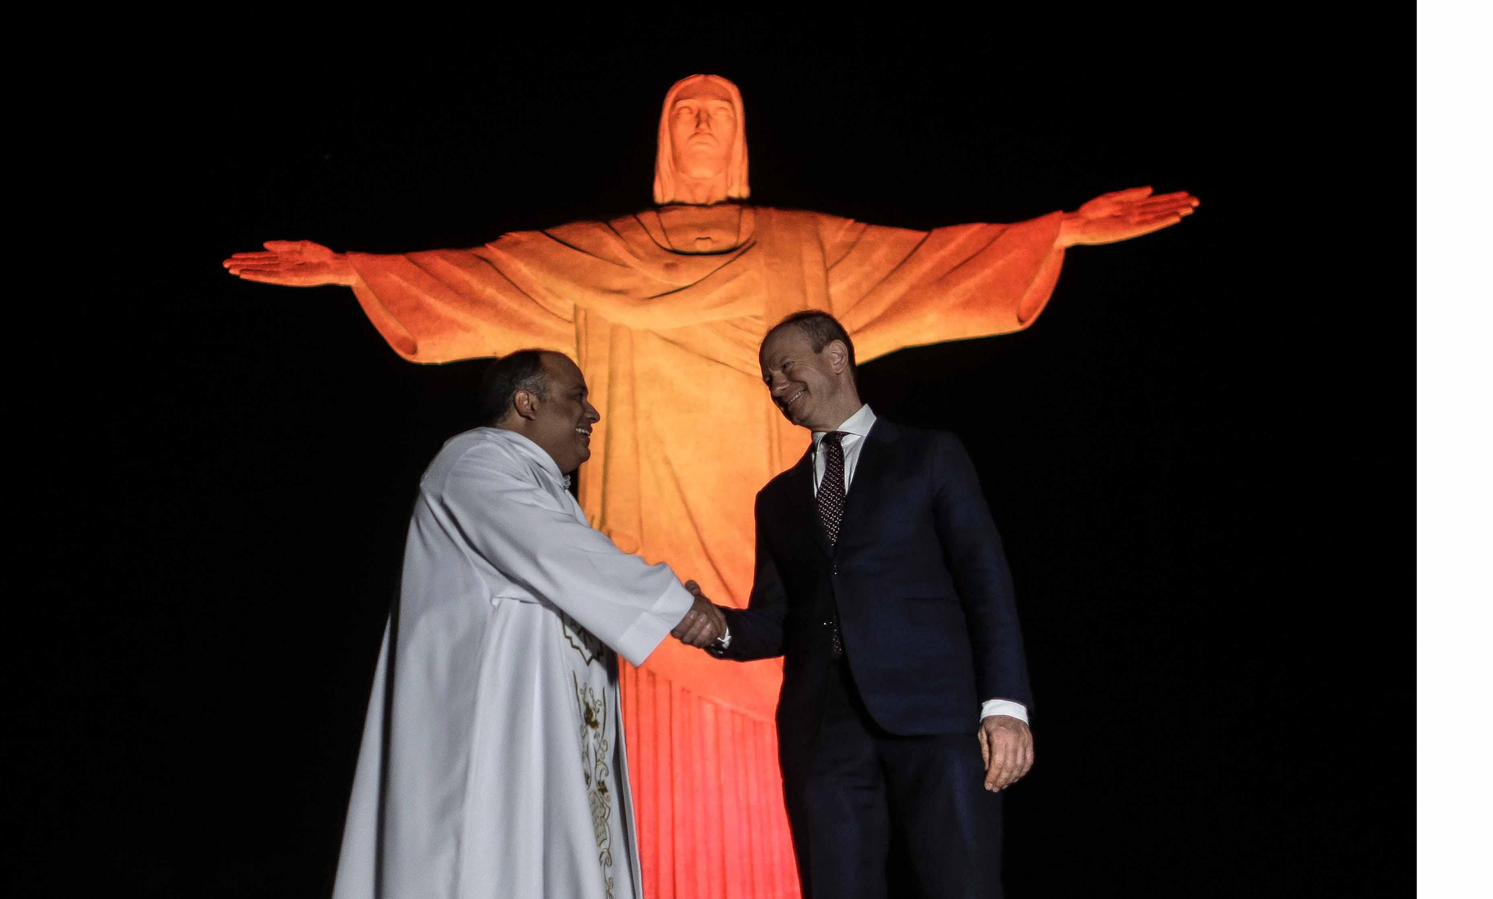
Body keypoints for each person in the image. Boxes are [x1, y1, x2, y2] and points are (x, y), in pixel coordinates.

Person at [226, 73, 1193, 894]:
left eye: (717, 110)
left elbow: (936, 260)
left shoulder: (807, 252)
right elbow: (474, 278)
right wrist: (357, 271)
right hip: (649, 586)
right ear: (660, 139)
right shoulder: (592, 259)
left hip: (827, 662)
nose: (699, 122)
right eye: (684, 108)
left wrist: (1054, 233)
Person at [331, 349, 726, 899]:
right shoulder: (474, 460)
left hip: (540, 731)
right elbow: (558, 551)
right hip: (492, 732)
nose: (592, 415)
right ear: (526, 402)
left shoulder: (539, 484)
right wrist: (673, 606)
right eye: (576, 397)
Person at [695, 310, 1034, 899]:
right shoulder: (775, 499)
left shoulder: (930, 455)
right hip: (823, 731)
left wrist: (1005, 707)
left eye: (785, 368)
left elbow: (986, 583)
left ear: (835, 357)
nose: (776, 388)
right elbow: (776, 622)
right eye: (767, 379)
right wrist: (709, 625)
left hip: (938, 719)